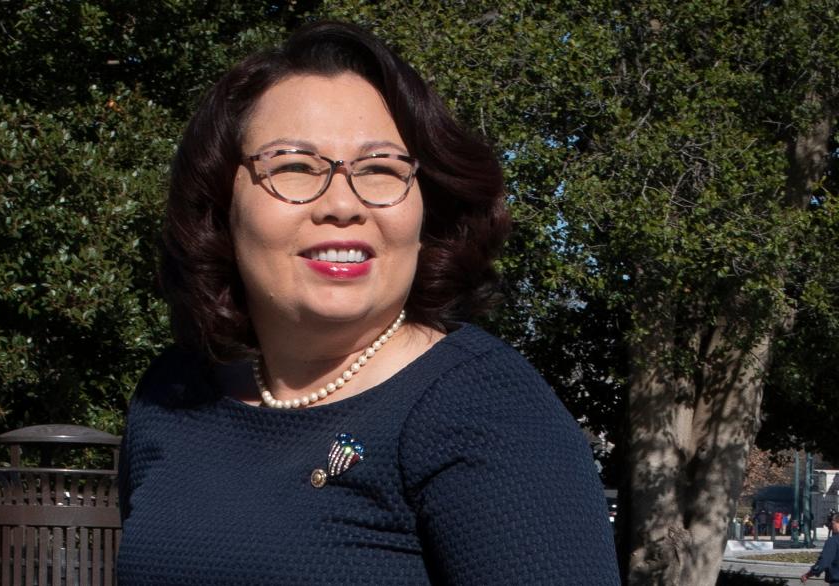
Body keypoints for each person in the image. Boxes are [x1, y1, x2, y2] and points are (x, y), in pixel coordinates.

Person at [116, 20, 619, 585]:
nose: (342, 203)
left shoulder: (487, 412)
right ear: (219, 202)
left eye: (379, 169)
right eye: (294, 167)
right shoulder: (174, 396)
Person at [801, 514, 839, 584]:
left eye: (833, 523)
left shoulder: (833, 541)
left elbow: (824, 562)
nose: (831, 526)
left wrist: (808, 574)